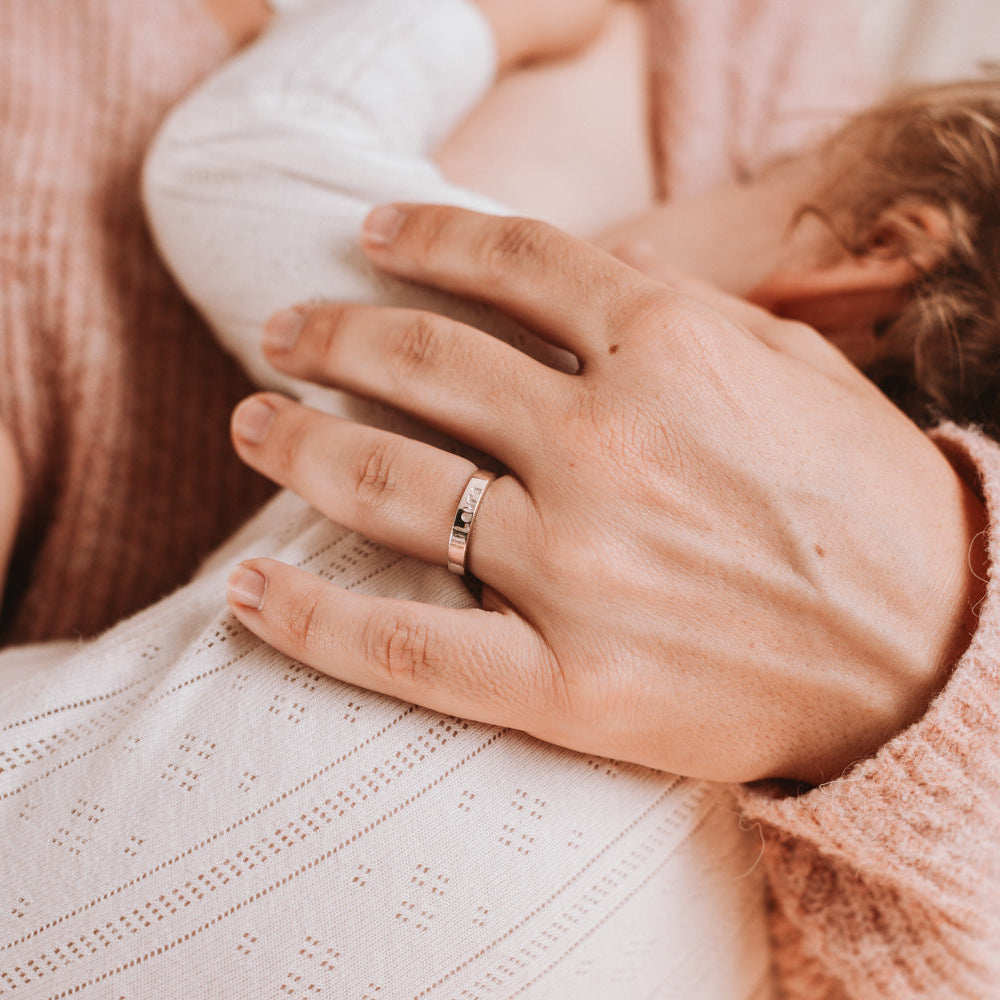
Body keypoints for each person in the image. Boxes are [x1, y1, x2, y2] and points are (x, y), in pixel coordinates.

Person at [0, 2, 996, 998]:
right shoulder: (843, 888)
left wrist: (468, 21)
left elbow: (235, 158)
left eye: (752, 182)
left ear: (865, 261)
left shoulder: (555, 367)